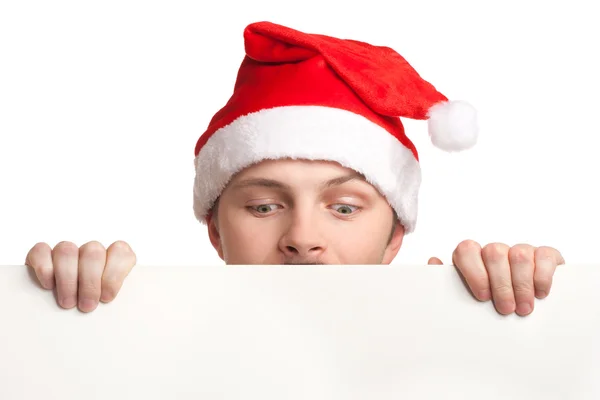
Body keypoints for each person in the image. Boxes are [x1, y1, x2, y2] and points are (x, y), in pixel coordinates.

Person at [24, 21, 564, 317]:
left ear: (395, 237)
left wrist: (529, 308)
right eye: (263, 206)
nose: (302, 240)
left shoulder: (453, 357)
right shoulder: (150, 349)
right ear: (214, 230)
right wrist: (56, 311)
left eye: (345, 208)